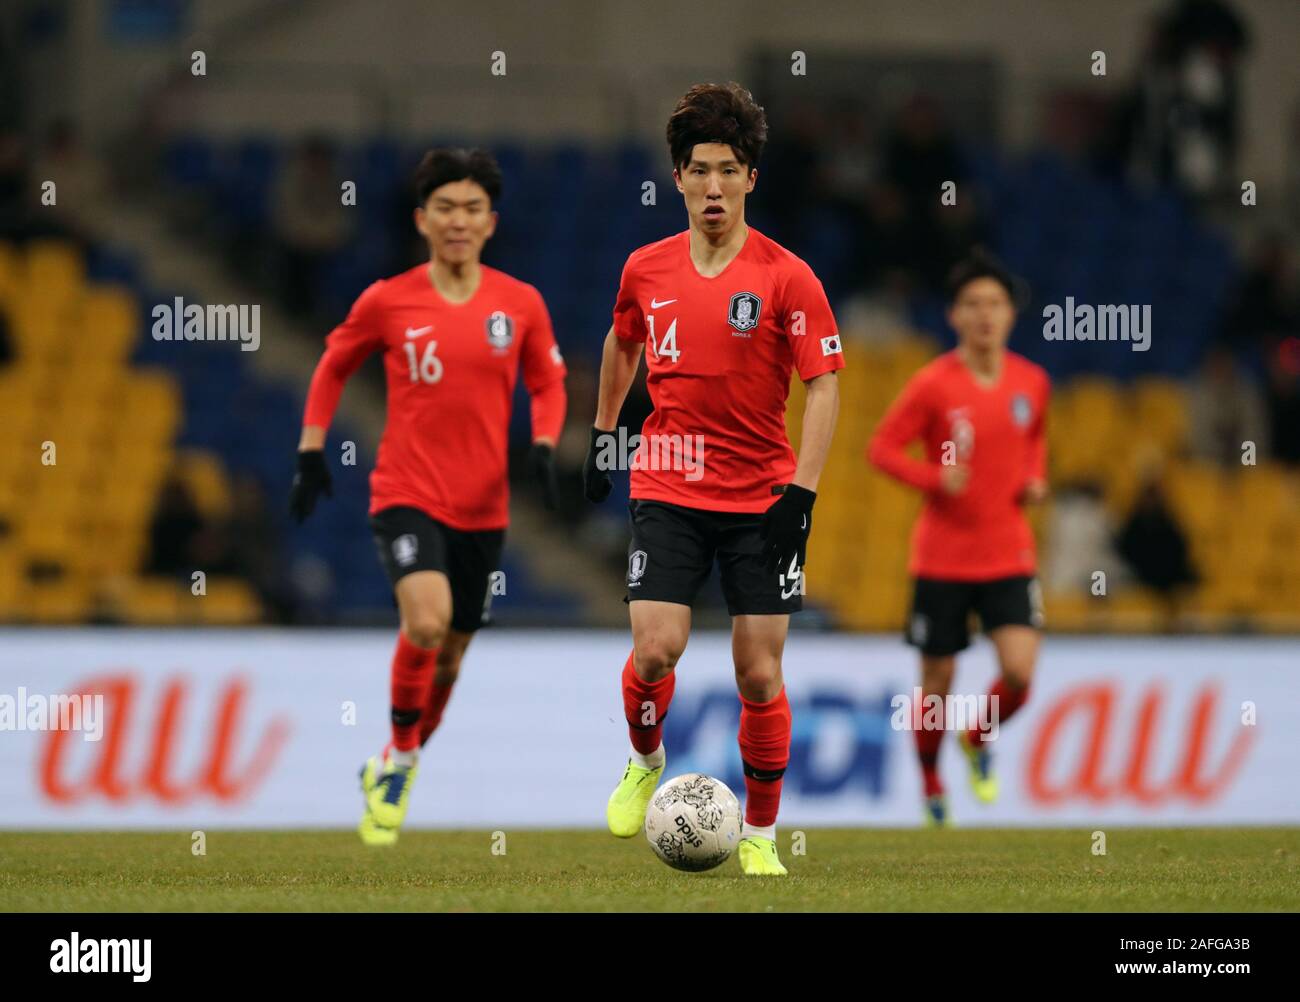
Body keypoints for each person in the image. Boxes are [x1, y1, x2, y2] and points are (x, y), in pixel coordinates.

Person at [583, 82, 843, 876]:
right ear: (678, 178)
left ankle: (760, 834)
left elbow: (825, 384)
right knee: (656, 649)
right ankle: (645, 758)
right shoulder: (645, 268)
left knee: (758, 672)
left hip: (763, 496)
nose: (714, 186)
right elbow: (622, 341)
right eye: (699, 170)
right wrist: (602, 433)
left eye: (729, 169)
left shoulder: (787, 278)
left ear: (751, 178)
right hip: (668, 481)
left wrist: (803, 493)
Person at [289, 148, 567, 846]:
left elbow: (548, 382)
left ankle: (394, 759)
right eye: (445, 207)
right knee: (426, 622)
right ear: (421, 219)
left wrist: (543, 443)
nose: (458, 220)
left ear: (490, 222)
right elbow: (332, 364)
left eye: (472, 208)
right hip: (407, 492)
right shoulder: (388, 299)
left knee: (450, 655)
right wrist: (312, 447)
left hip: (485, 509)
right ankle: (402, 760)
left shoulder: (520, 303)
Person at [868, 251, 1050, 827]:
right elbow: (882, 449)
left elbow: (1034, 440)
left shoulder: (1032, 382)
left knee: (1020, 672)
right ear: (953, 315)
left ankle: (977, 736)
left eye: (994, 303)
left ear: (1010, 314)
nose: (984, 314)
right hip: (943, 557)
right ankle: (930, 780)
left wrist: (1035, 477)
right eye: (972, 304)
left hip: (1008, 552)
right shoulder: (932, 384)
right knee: (937, 681)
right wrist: (933, 477)